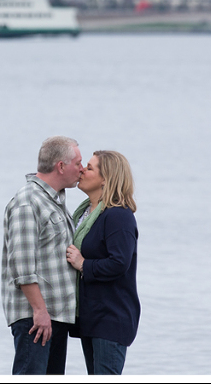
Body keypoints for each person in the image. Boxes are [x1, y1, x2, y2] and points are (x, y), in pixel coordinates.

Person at [1, 136, 84, 375]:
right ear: (61, 166)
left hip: (54, 316)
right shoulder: (28, 202)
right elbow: (22, 265)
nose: (82, 168)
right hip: (36, 319)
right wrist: (39, 311)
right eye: (77, 163)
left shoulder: (53, 200)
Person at [65, 150, 140, 375]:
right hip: (91, 316)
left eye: (89, 168)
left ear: (106, 178)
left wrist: (83, 264)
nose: (82, 171)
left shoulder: (118, 216)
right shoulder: (85, 213)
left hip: (111, 317)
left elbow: (119, 263)